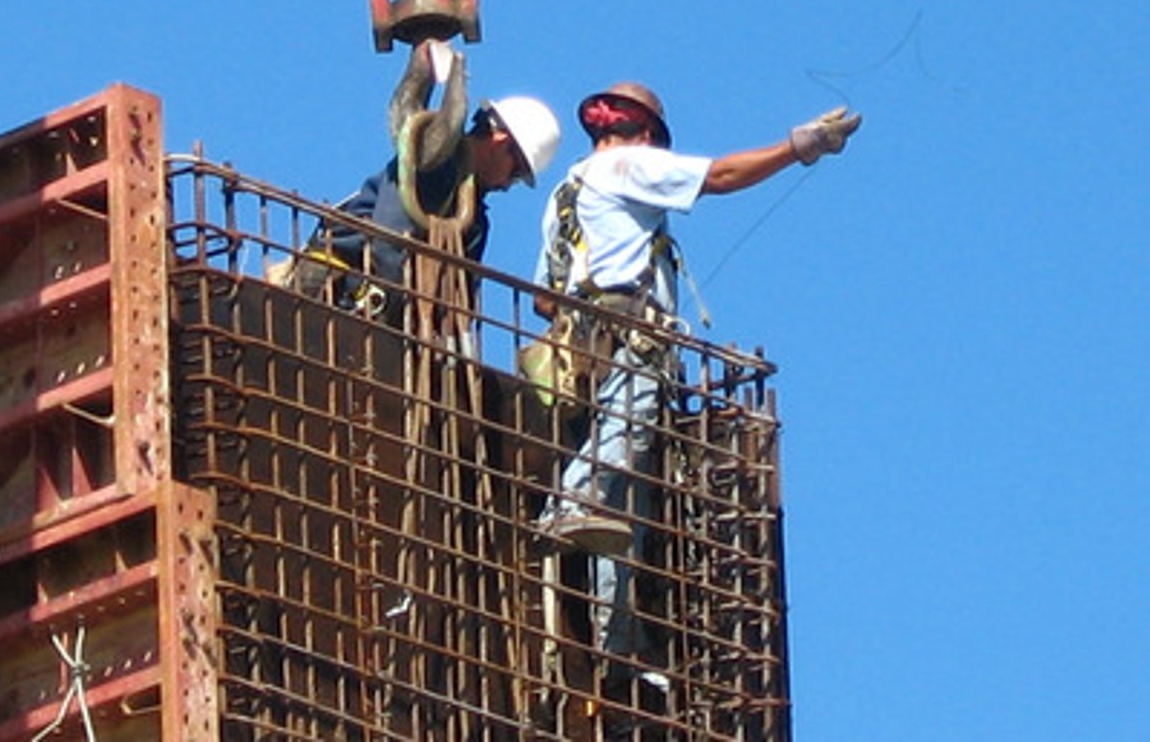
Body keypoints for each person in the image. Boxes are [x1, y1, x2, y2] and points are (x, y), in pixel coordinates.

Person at [531, 81, 860, 681]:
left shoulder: (564, 194)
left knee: (623, 504)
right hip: (632, 333)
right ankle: (565, 506)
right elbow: (722, 176)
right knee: (624, 441)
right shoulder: (628, 165)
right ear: (647, 133)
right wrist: (799, 147)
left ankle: (617, 642)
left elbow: (543, 301)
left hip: (580, 344)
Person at [282, 40, 561, 315]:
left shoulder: (474, 221)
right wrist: (395, 308)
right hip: (338, 285)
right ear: (501, 142)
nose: (507, 185)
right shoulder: (436, 165)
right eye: (516, 172)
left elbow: (461, 297)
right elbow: (390, 234)